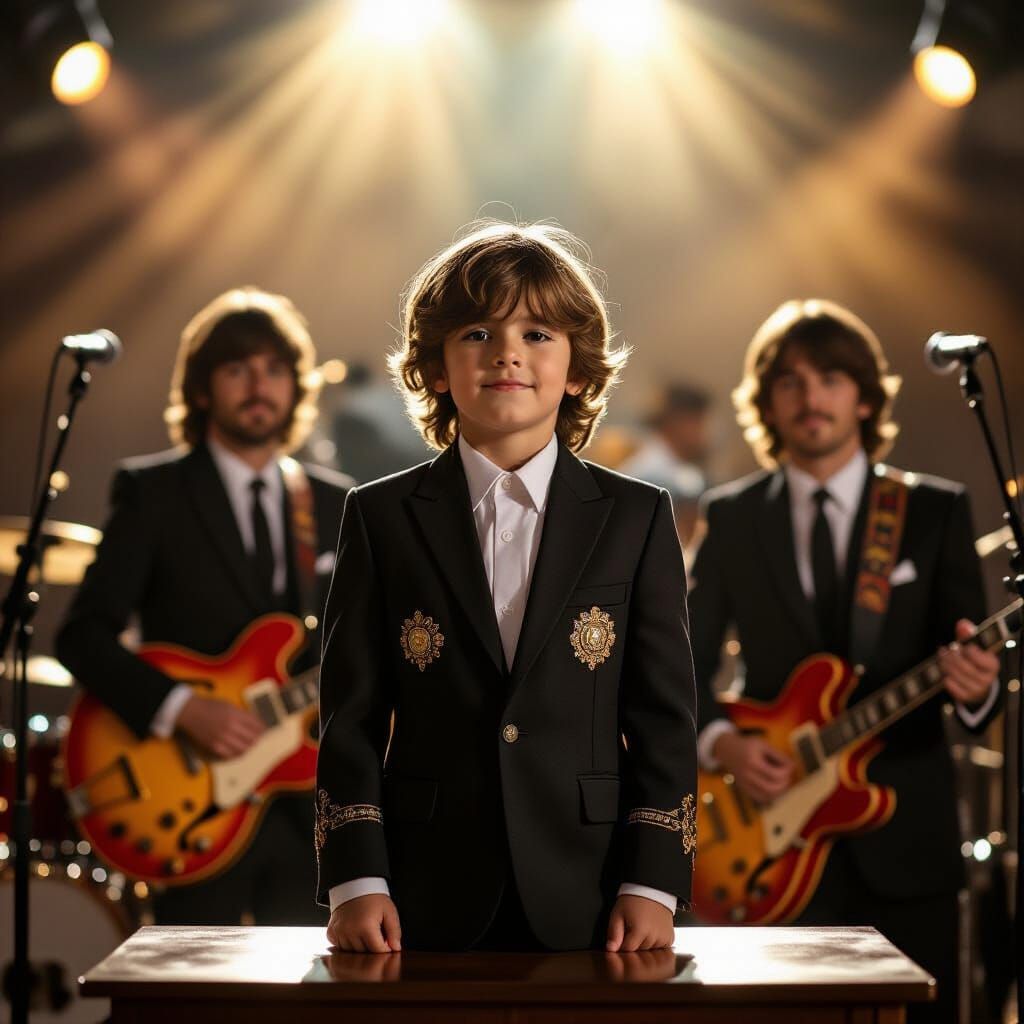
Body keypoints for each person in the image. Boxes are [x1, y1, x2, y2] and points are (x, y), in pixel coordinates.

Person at [315, 222, 698, 953]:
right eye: (477, 334)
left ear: (580, 370)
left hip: (594, 889)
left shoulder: (638, 517)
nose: (508, 354)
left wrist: (652, 882)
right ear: (434, 366)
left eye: (539, 333)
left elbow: (664, 718)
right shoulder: (378, 516)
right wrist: (357, 880)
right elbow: (350, 719)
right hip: (420, 888)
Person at [689, 299, 1000, 1023]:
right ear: (767, 402)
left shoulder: (932, 512)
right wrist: (725, 742)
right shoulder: (732, 516)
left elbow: (973, 678)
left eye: (831, 377)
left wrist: (978, 690)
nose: (810, 397)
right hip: (767, 848)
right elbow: (681, 665)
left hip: (905, 840)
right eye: (790, 382)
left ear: (864, 395)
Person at [56, 286, 351, 925]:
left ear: (296, 388)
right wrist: (182, 708)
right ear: (201, 387)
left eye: (275, 369)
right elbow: (82, 637)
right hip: (191, 803)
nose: (259, 385)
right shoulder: (154, 492)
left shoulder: (336, 502)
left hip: (307, 804)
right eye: (237, 368)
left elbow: (357, 642)